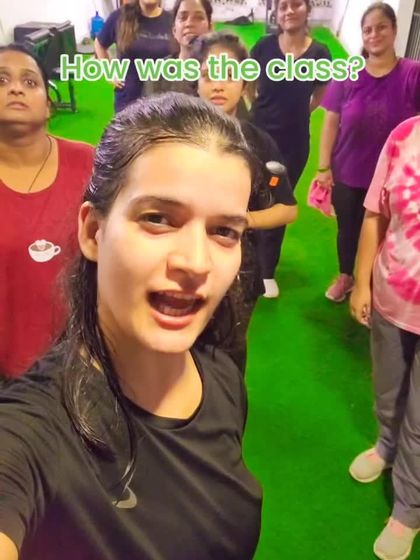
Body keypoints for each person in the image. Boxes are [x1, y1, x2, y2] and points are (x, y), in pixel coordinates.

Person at [0, 93, 262, 560]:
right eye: (158, 219)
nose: (196, 262)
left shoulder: (220, 374)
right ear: (93, 231)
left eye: (224, 231)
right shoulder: (35, 429)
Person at [195, 31, 297, 368]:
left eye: (229, 75)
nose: (218, 86)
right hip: (182, 262)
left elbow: (287, 208)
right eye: (209, 75)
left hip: (238, 271)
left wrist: (243, 220)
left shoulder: (259, 143)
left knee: (227, 359)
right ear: (196, 82)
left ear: (244, 84)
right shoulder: (174, 137)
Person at [0, 43, 94, 379]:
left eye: (29, 82)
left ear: (48, 106)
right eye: (1, 80)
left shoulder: (89, 163)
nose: (15, 88)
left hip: (84, 355)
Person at [349, 116, 420, 560]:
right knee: (388, 389)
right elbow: (375, 214)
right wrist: (361, 282)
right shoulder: (404, 135)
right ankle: (386, 447)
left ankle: (409, 508)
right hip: (392, 296)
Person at [318, 2, 420, 303]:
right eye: (368, 30)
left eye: (381, 27)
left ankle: (376, 286)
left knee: (388, 234)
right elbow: (331, 122)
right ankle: (346, 277)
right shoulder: (348, 73)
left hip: (394, 177)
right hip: (349, 171)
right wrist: (324, 167)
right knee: (348, 230)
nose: (374, 34)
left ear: (394, 30)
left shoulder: (412, 74)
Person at [249, 0, 330, 297]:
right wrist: (260, 109)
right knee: (251, 199)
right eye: (283, 6)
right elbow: (248, 83)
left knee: (278, 201)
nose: (289, 11)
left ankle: (267, 271)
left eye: (296, 5)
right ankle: (245, 261)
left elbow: (320, 93)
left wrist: (299, 113)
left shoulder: (320, 53)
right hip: (258, 138)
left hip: (293, 144)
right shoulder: (264, 47)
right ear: (277, 13)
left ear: (307, 10)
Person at [94, 0, 172, 112]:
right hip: (128, 99)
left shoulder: (171, 20)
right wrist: (109, 72)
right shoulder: (120, 17)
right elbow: (99, 44)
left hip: (162, 101)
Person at [144, 0, 212, 97]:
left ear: (210, 28)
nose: (189, 23)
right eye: (183, 18)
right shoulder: (158, 72)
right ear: (174, 30)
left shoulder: (221, 70)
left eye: (198, 18)